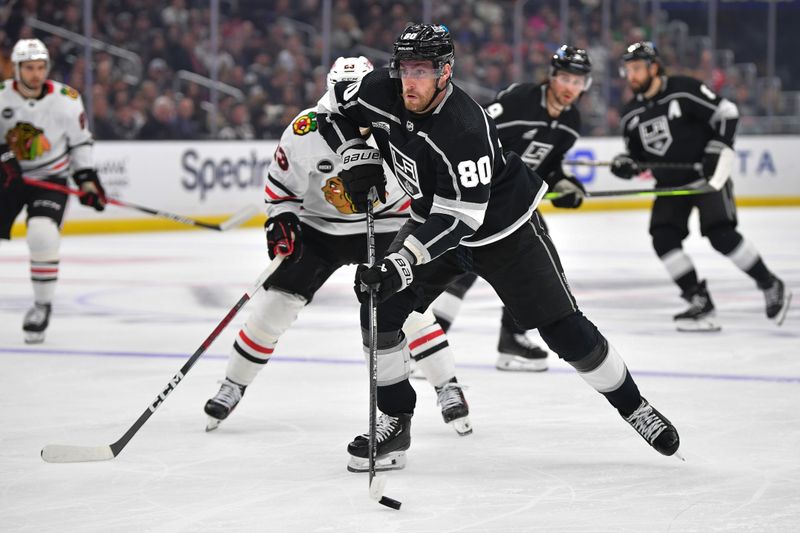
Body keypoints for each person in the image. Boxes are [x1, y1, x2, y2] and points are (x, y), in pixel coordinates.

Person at [318, 24, 681, 473]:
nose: (410, 81)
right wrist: (359, 156)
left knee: (563, 331)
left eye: (422, 70)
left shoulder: (464, 126)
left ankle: (634, 406)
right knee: (379, 308)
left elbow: (461, 218)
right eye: (404, 69)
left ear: (445, 71)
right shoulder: (379, 89)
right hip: (433, 216)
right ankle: (395, 421)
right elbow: (329, 111)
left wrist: (401, 262)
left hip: (504, 231)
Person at [204, 56, 472, 437]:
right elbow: (282, 189)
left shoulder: (399, 121)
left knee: (404, 307)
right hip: (320, 232)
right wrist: (281, 221)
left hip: (386, 225)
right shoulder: (305, 130)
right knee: (274, 307)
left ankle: (447, 385)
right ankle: (233, 383)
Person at [431, 44, 592, 372]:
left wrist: (565, 185)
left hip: (515, 202)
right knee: (462, 270)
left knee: (529, 267)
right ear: (552, 76)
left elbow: (549, 165)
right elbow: (472, 131)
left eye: (578, 82)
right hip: (479, 195)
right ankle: (432, 348)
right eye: (565, 78)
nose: (570, 88)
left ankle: (511, 340)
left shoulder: (571, 121)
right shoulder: (520, 100)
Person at [612, 42, 791, 331]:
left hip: (707, 178)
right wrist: (627, 164)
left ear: (653, 67)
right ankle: (698, 298)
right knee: (663, 239)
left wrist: (717, 148)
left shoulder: (683, 88)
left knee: (720, 234)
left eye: (636, 68)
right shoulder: (630, 114)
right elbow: (640, 158)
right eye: (627, 70)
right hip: (671, 186)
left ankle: (770, 283)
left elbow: (728, 112)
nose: (630, 75)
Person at [0, 38, 106, 344]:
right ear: (16, 69)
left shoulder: (67, 99)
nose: (35, 74)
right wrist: (6, 162)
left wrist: (86, 181)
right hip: (9, 177)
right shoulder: (2, 97)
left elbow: (80, 142)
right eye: (29, 68)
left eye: (40, 67)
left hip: (51, 177)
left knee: (42, 233)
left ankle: (41, 305)